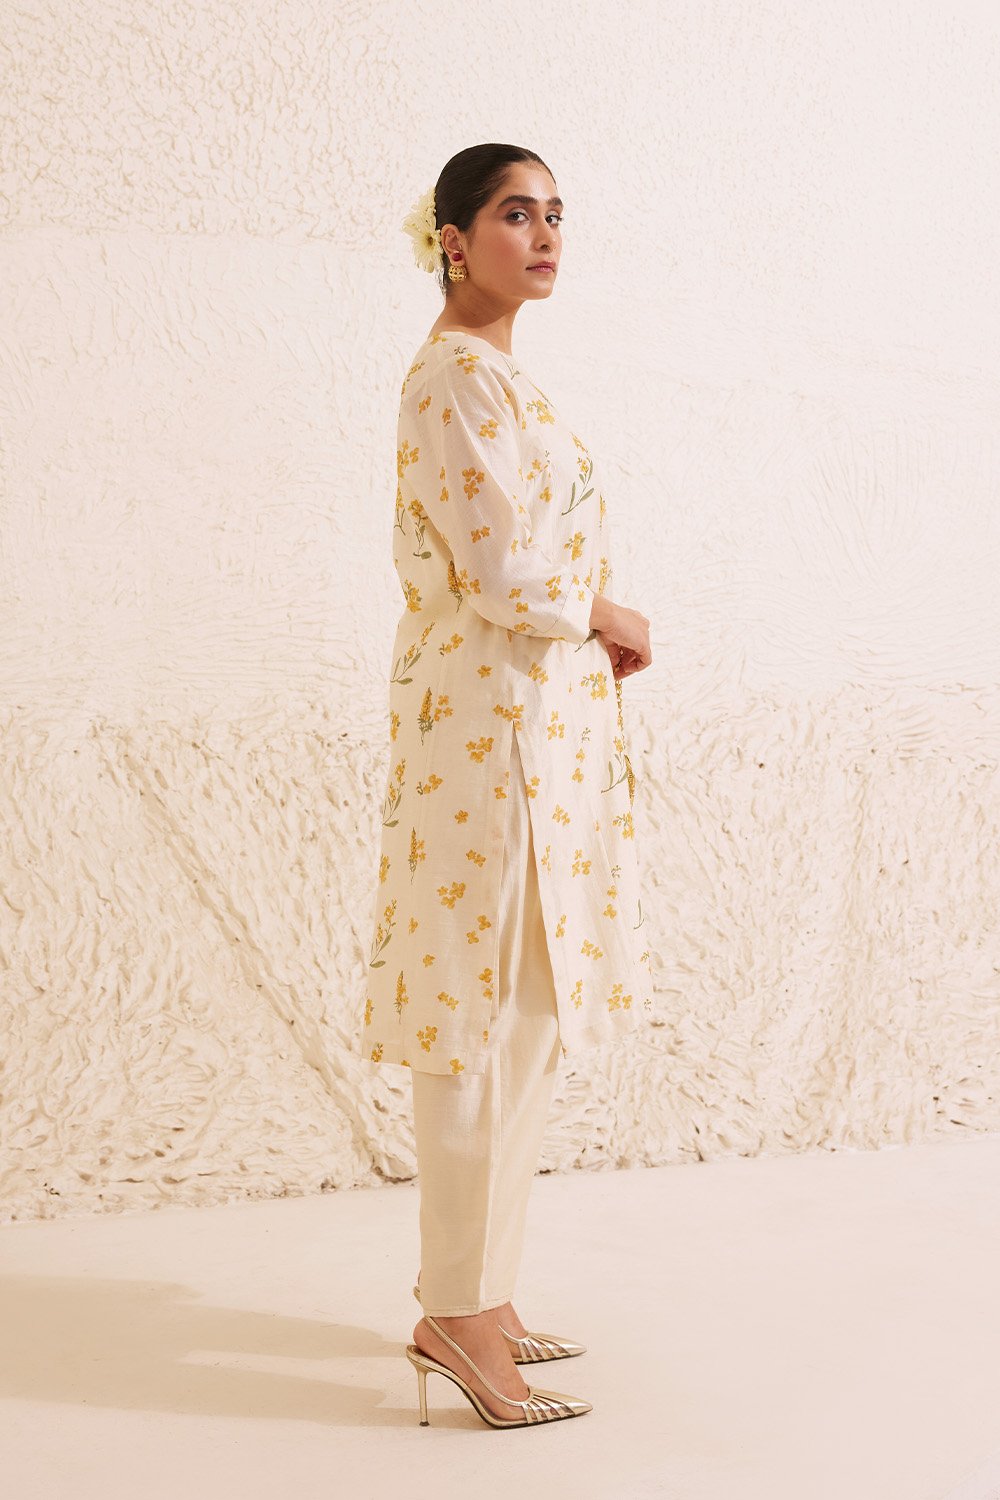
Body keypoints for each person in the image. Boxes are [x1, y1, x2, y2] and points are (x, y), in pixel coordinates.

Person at [356, 143, 653, 1429]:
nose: (543, 235)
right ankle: (456, 1314)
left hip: (529, 730)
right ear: (452, 239)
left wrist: (585, 636)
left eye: (554, 215)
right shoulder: (454, 380)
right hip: (489, 738)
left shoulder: (499, 377)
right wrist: (604, 613)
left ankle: (478, 1292)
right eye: (515, 214)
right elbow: (498, 572)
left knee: (529, 1005)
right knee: (478, 1016)